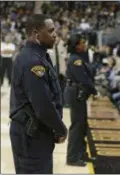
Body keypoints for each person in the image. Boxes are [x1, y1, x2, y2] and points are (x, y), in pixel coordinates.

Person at [9, 14, 68, 174]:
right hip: (30, 135)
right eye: (50, 31)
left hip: (37, 133)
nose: (55, 34)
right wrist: (61, 129)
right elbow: (43, 105)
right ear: (36, 34)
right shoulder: (32, 61)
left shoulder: (39, 56)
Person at [64, 33, 98, 166]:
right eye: (82, 43)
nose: (84, 44)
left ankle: (81, 153)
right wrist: (95, 91)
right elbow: (83, 79)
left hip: (80, 93)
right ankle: (72, 157)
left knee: (82, 125)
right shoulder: (75, 60)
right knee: (77, 125)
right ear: (76, 46)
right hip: (76, 92)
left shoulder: (79, 57)